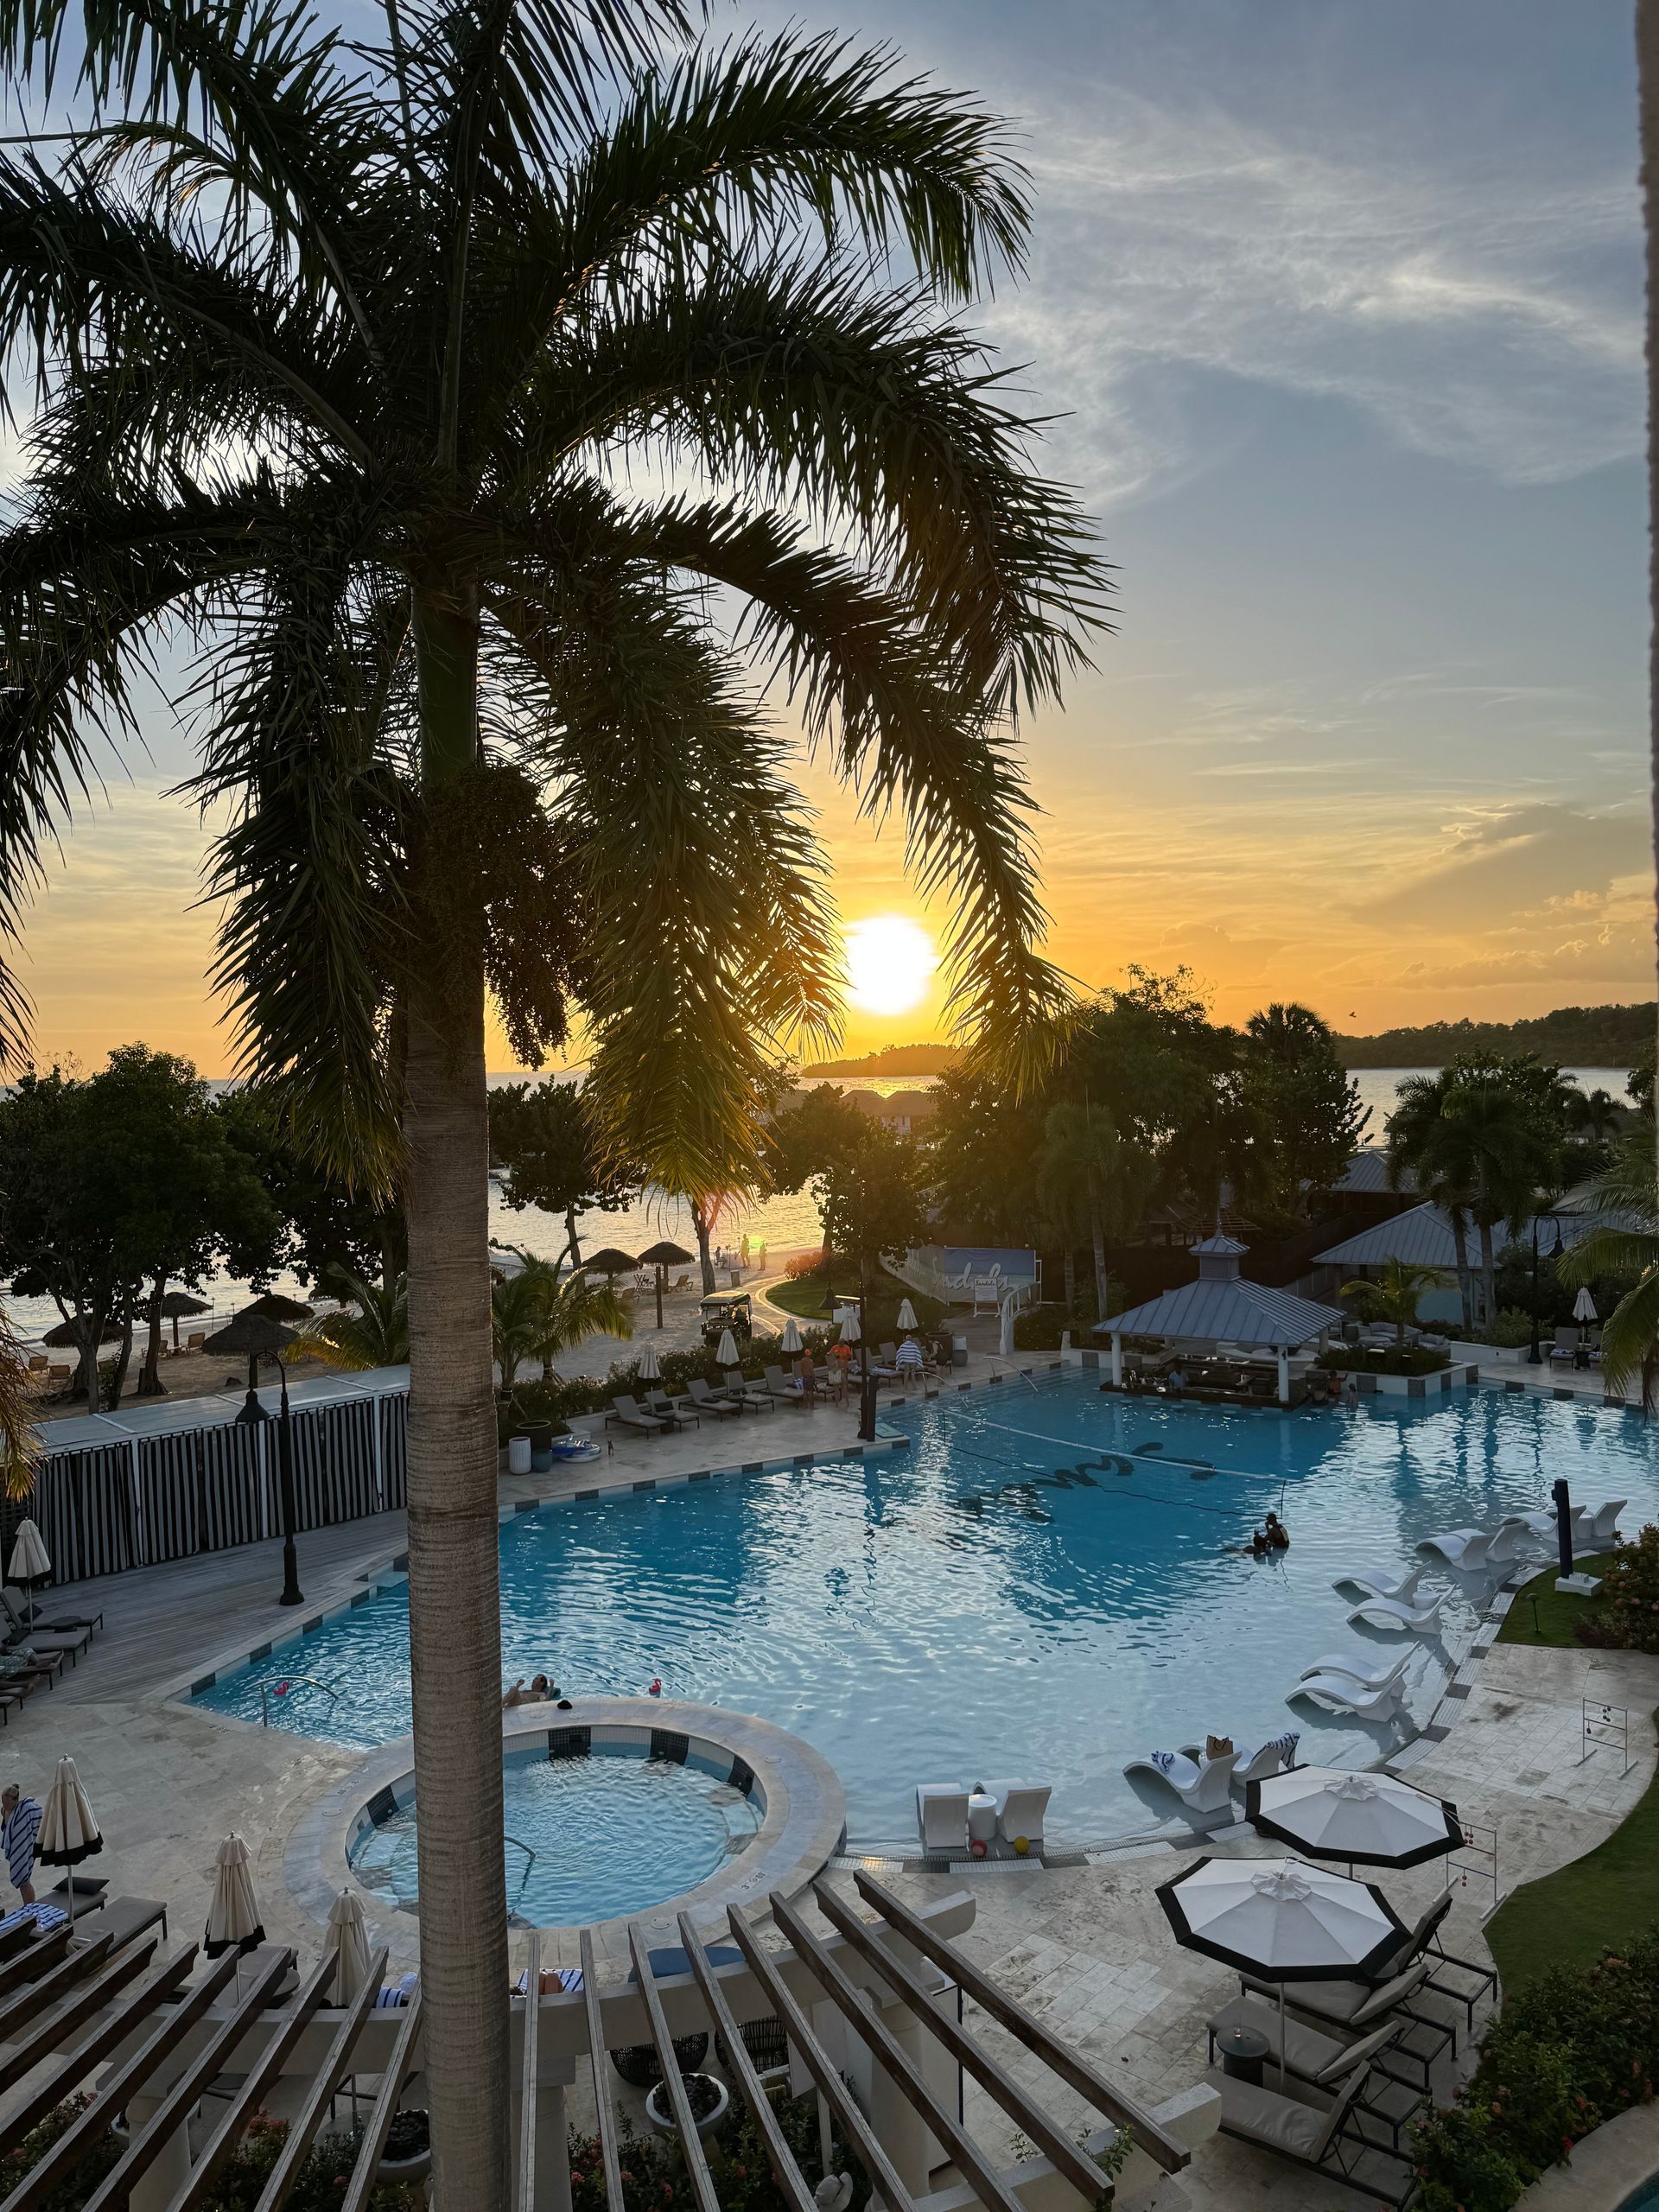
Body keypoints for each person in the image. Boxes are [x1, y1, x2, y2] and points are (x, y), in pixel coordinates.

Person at [1, 1783, 41, 1905]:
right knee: (22, 1883)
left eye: (7, 1803)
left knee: (25, 1881)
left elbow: (39, 1816)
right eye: (3, 1802)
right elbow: (7, 1829)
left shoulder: (26, 1809)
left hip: (26, 1847)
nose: (5, 1805)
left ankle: (31, 1908)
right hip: (16, 1848)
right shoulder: (4, 1810)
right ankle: (27, 1906)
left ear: (16, 1800)